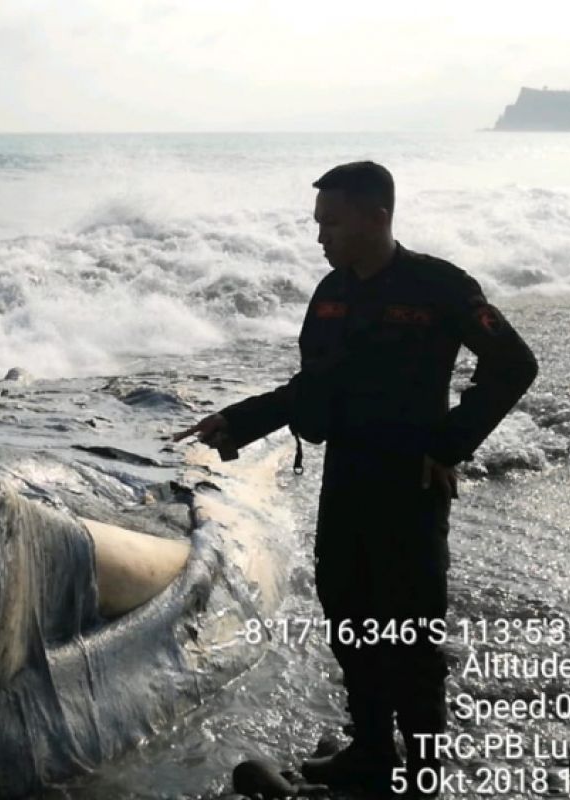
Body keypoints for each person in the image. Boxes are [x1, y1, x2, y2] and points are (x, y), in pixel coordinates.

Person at [171, 161, 538, 796]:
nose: (321, 237)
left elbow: (514, 365)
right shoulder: (331, 294)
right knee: (349, 616)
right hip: (346, 479)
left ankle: (423, 775)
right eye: (318, 224)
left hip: (412, 486)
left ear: (378, 215)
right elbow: (313, 389)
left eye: (332, 223)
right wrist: (238, 421)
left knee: (412, 637)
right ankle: (371, 750)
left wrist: (449, 443)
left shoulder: (439, 286)